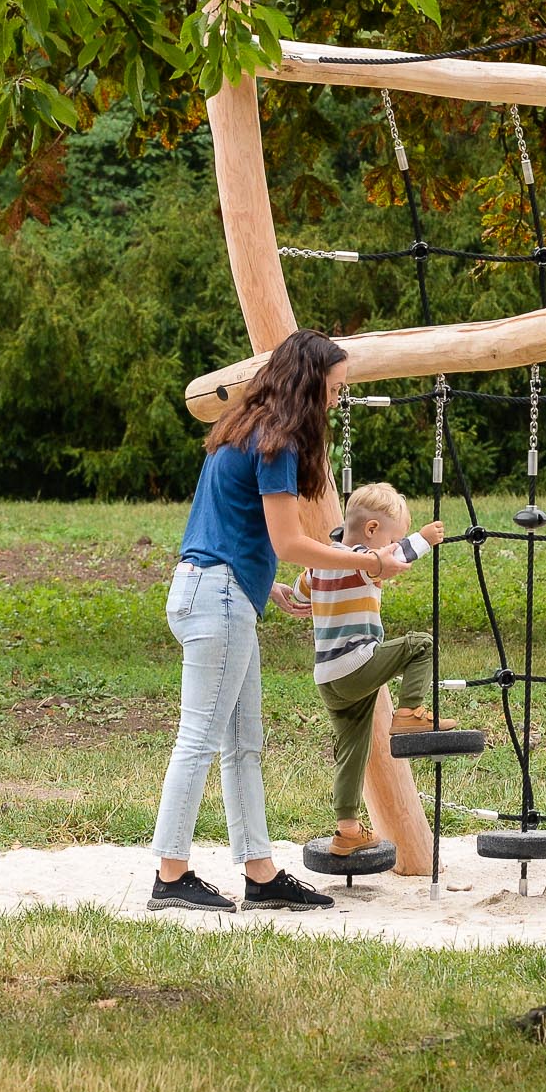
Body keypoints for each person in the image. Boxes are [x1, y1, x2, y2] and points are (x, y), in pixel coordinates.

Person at [148, 329, 411, 913]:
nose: (337, 399)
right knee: (199, 739)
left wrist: (264, 584)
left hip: (214, 591)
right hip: (218, 599)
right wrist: (369, 561)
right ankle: (170, 875)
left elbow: (226, 527)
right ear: (310, 383)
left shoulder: (239, 427)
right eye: (334, 388)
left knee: (243, 744)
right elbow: (290, 542)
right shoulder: (279, 440)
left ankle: (260, 873)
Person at [284, 482, 454, 856]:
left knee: (352, 749)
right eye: (389, 540)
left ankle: (347, 830)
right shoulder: (362, 560)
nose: (390, 549)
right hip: (356, 663)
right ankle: (409, 713)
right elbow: (397, 558)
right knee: (420, 644)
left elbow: (298, 594)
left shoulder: (318, 564)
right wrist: (425, 538)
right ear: (372, 530)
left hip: (327, 678)